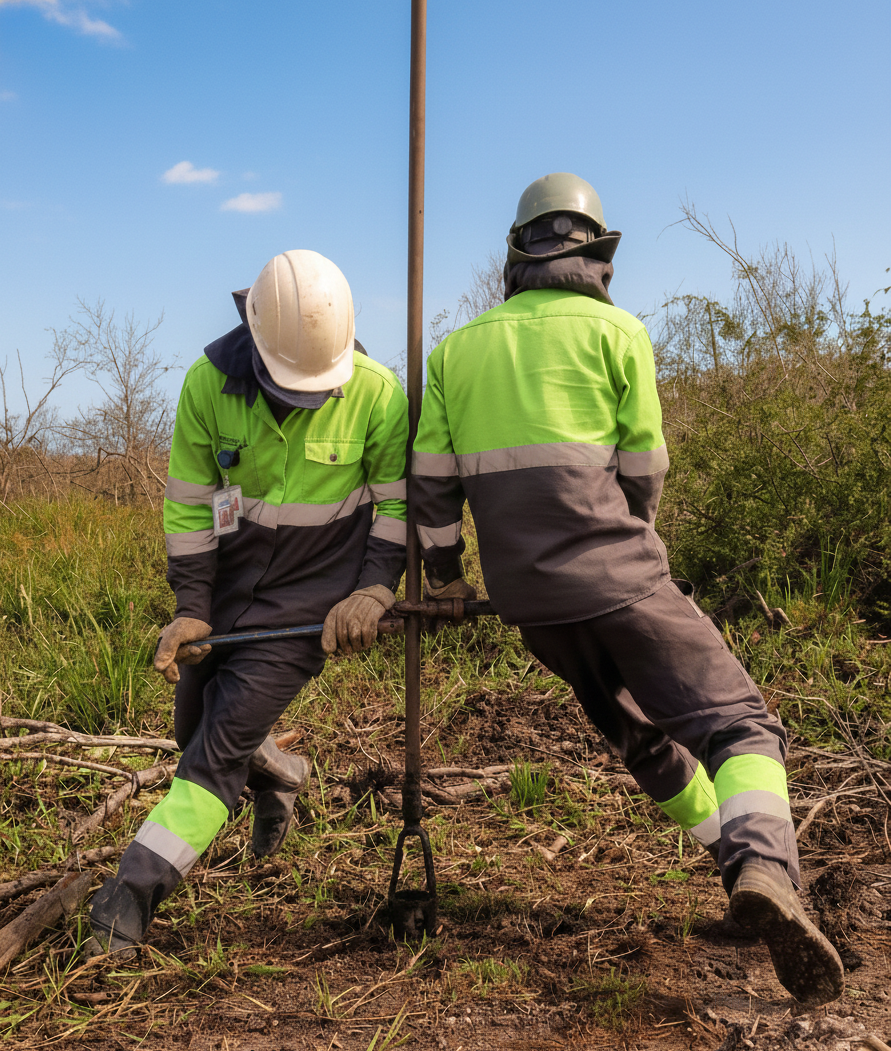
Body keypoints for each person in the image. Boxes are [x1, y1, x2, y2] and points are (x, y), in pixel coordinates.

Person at [410, 174, 844, 1006]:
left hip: (525, 601)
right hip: (618, 578)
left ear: (517, 256)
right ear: (595, 256)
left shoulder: (456, 350)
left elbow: (432, 485)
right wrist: (632, 542)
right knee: (739, 724)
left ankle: (739, 876)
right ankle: (765, 861)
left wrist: (447, 579)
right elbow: (644, 470)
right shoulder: (618, 333)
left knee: (643, 737)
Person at [90, 250, 408, 954]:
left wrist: (375, 586)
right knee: (192, 727)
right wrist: (191, 603)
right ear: (258, 341)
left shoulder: (379, 393)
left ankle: (132, 894)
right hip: (226, 591)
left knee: (215, 750)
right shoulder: (208, 384)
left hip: (309, 602)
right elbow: (189, 506)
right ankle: (284, 773)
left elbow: (395, 504)